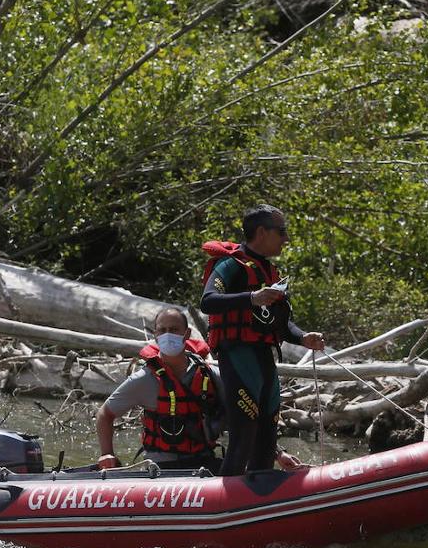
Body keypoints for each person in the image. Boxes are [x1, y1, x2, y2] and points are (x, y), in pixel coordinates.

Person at [199, 204, 325, 476]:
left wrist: (304, 338)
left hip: (265, 361)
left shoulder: (272, 273)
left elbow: (281, 323)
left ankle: (262, 496)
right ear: (261, 232)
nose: (286, 239)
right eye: (281, 232)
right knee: (243, 437)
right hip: (238, 358)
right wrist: (252, 298)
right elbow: (207, 301)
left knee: (267, 437)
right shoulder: (230, 265)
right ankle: (227, 501)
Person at [95, 307, 223, 474]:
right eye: (162, 330)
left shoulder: (211, 375)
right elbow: (104, 414)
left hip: (203, 460)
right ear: (155, 335)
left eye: (174, 329)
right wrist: (107, 453)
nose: (168, 334)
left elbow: (241, 414)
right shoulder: (143, 379)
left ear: (186, 334)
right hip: (160, 466)